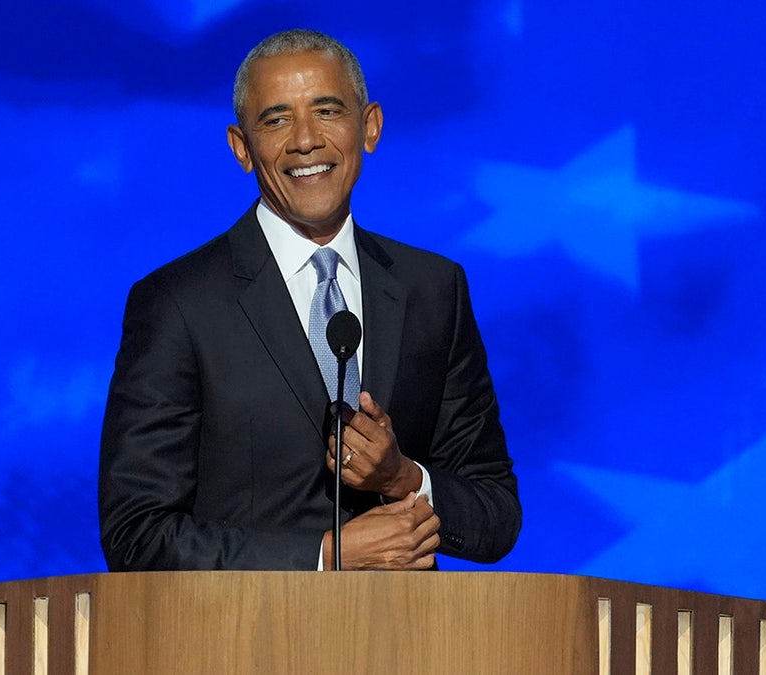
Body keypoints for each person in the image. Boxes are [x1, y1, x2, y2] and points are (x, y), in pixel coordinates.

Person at [99, 29, 520, 571]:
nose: (305, 141)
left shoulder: (434, 288)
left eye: (327, 111)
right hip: (247, 648)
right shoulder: (178, 303)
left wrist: (402, 478)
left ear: (369, 127)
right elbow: (137, 535)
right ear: (241, 148)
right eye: (275, 120)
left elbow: (496, 515)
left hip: (409, 646)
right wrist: (326, 557)